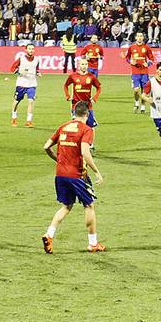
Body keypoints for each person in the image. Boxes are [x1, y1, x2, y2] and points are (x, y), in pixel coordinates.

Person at [42, 100, 104, 253]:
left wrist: (58, 160)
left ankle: (49, 235)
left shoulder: (63, 127)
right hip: (77, 175)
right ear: (87, 114)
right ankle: (93, 243)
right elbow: (85, 152)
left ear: (74, 113)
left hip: (60, 174)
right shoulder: (86, 129)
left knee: (66, 206)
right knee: (89, 205)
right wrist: (96, 171)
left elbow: (46, 147)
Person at [10, 41, 40, 127]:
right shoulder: (21, 58)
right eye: (29, 49)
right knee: (16, 101)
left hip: (32, 84)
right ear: (26, 50)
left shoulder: (37, 59)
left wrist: (38, 73)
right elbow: (12, 68)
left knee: (31, 101)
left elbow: (36, 69)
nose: (31, 50)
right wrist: (19, 72)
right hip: (21, 84)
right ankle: (14, 117)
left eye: (32, 49)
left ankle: (29, 120)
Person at [64, 60, 101, 128]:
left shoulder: (91, 76)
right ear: (79, 65)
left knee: (90, 127)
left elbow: (99, 87)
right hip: (76, 104)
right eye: (82, 64)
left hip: (88, 105)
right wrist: (68, 96)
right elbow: (65, 85)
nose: (84, 66)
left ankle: (90, 138)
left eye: (86, 64)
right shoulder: (73, 76)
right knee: (77, 127)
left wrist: (94, 98)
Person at [124, 33, 154, 114]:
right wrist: (130, 61)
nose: (139, 38)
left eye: (141, 36)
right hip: (135, 72)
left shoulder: (146, 47)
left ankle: (143, 107)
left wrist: (148, 64)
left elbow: (152, 59)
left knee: (144, 90)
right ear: (136, 37)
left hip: (144, 72)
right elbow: (127, 58)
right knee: (136, 90)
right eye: (138, 36)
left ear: (143, 37)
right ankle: (136, 102)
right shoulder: (132, 47)